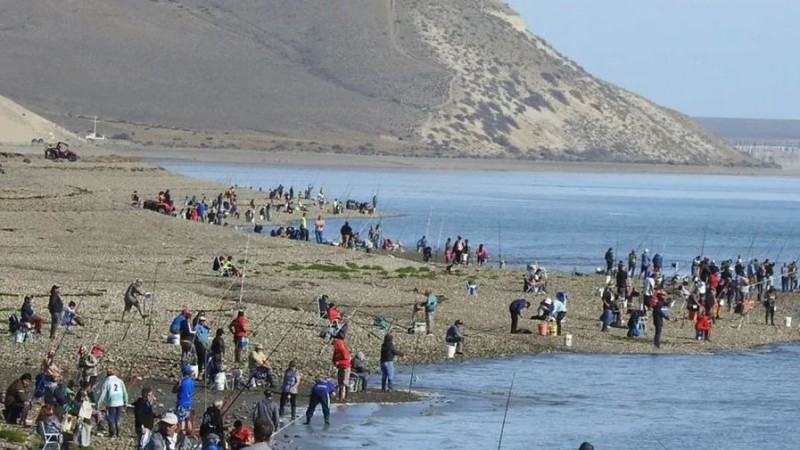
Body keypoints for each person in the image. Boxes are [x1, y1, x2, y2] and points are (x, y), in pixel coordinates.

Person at [97, 368, 128, 438]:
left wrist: (98, 404)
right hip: (120, 402)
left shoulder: (107, 382)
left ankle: (112, 433)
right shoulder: (120, 381)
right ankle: (118, 432)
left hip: (111, 402)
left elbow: (102, 395)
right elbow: (125, 392)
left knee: (110, 418)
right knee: (117, 418)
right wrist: (126, 401)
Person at [173, 365, 196, 433]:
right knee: (188, 418)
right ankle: (190, 432)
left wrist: (178, 384)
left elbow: (174, 390)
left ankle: (182, 433)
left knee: (181, 419)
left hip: (181, 403)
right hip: (188, 403)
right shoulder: (192, 382)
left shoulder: (182, 381)